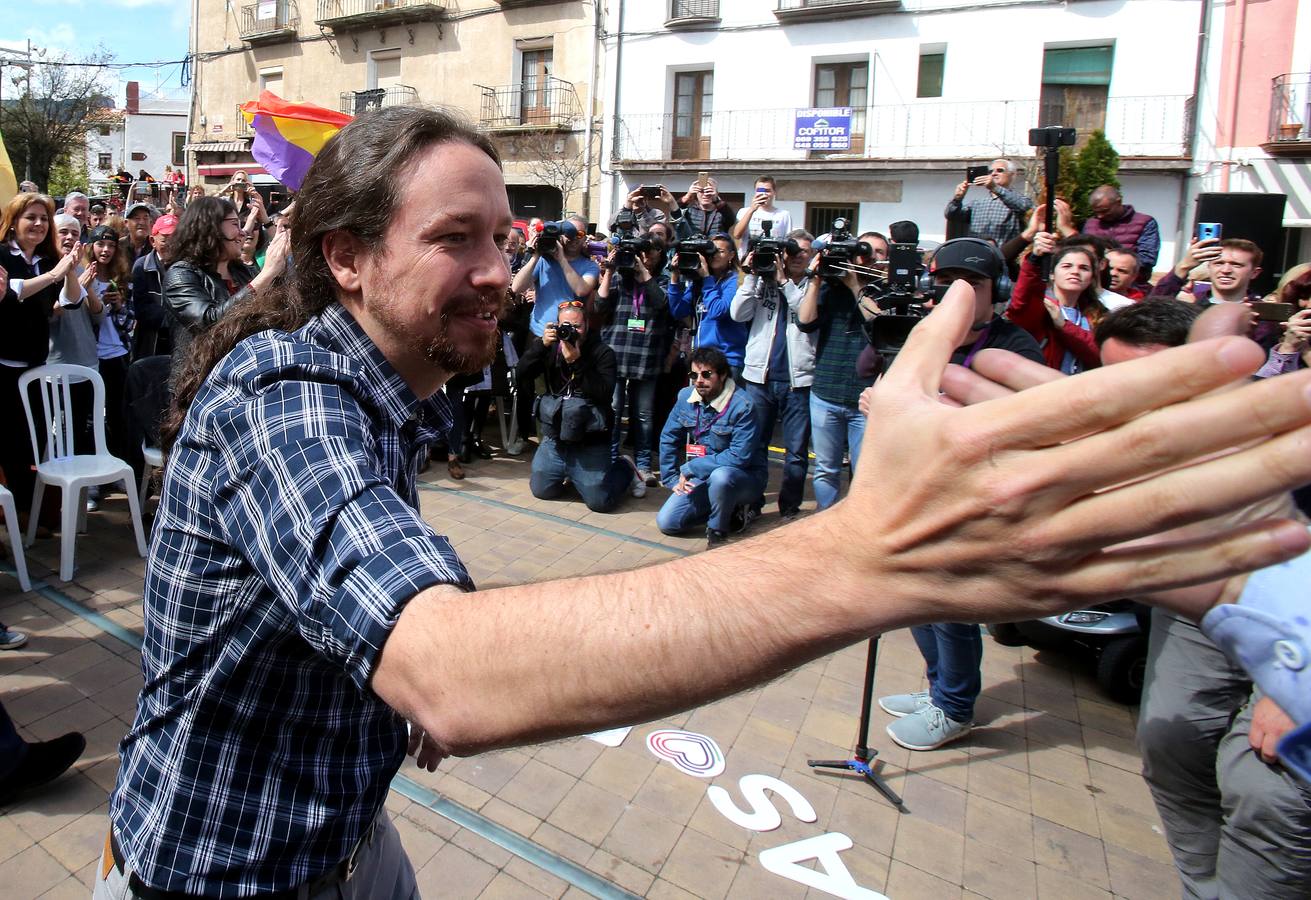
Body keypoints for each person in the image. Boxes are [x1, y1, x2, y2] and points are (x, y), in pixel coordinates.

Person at [97, 106, 1311, 899]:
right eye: (455, 240)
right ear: (347, 256)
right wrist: (870, 554)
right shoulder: (288, 391)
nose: (499, 274)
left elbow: (369, 574)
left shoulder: (386, 388)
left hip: (348, 841)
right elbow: (454, 675)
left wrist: (378, 666)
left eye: (505, 238)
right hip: (225, 875)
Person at [873, 239, 1045, 751]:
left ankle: (955, 707)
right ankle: (937, 689)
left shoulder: (1014, 347)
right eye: (946, 283)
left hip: (968, 498)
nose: (957, 295)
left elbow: (1022, 431)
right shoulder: (921, 337)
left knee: (950, 608)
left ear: (998, 291)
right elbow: (880, 379)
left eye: (973, 286)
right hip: (914, 488)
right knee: (915, 603)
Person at [516, 300, 645, 511]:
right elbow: (521, 374)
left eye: (577, 326)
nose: (571, 331)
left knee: (600, 503)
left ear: (587, 325)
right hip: (557, 439)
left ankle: (625, 468)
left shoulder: (603, 353)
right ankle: (572, 475)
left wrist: (577, 362)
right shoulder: (549, 349)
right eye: (565, 326)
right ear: (557, 326)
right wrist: (540, 346)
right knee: (541, 490)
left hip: (590, 440)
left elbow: (604, 394)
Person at [729, 229, 817, 520]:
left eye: (804, 251)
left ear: (813, 255)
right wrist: (752, 276)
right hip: (759, 378)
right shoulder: (763, 282)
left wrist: (784, 283)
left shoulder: (814, 287)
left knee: (795, 452)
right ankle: (752, 503)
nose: (798, 256)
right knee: (755, 446)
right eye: (792, 251)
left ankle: (789, 507)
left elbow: (807, 317)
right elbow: (738, 314)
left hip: (798, 381)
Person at [0, 193, 76, 521]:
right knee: (6, 442)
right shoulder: (3, 255)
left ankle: (29, 512)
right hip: (3, 366)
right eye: (31, 217)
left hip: (35, 366)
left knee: (34, 440)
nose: (39, 224)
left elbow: (72, 301)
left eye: (44, 218)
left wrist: (70, 268)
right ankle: (11, 516)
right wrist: (56, 273)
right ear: (14, 221)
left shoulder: (49, 261)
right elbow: (12, 291)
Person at [795, 231, 881, 510]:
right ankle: (825, 519)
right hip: (825, 393)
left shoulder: (888, 290)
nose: (871, 258)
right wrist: (816, 280)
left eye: (878, 252)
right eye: (866, 251)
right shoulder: (831, 289)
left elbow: (880, 326)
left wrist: (856, 285)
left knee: (865, 472)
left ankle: (857, 526)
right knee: (825, 468)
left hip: (866, 400)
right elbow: (805, 322)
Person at [162, 196, 289, 379]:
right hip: (200, 381)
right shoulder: (181, 274)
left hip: (246, 374)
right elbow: (209, 322)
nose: (242, 233)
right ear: (210, 227)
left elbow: (275, 311)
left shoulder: (241, 272)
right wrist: (266, 275)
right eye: (235, 224)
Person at [656, 347, 766, 546]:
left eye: (706, 374)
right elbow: (668, 438)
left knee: (721, 476)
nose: (699, 380)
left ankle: (717, 532)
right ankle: (728, 508)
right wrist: (671, 479)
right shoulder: (685, 397)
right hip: (704, 477)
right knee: (668, 522)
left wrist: (691, 468)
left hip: (742, 477)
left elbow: (739, 456)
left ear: (723, 375)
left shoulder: (743, 406)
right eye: (693, 374)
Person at [595, 236, 670, 488]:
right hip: (616, 354)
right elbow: (599, 305)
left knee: (644, 414)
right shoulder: (617, 277)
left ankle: (644, 464)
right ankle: (611, 458)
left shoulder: (661, 280)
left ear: (657, 255)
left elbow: (663, 305)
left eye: (647, 254)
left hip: (646, 355)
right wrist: (609, 270)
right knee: (613, 410)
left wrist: (643, 273)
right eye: (638, 254)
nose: (641, 258)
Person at [46, 214, 104, 456]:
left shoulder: (83, 265)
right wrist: (76, 287)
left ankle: (84, 487)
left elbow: (98, 316)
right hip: (57, 367)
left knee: (84, 428)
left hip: (88, 361)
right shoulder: (45, 270)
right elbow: (49, 315)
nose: (70, 238)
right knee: (60, 432)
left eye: (75, 233)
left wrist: (88, 290)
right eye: (63, 232)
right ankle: (61, 488)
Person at [1006, 232, 1104, 373]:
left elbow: (1101, 354)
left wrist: (1064, 326)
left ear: (1092, 278)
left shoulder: (1097, 314)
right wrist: (1034, 259)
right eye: (1066, 266)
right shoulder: (1041, 307)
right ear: (1052, 273)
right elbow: (1022, 301)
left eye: (1084, 268)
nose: (1075, 272)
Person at [667, 232, 746, 377]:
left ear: (731, 255)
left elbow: (718, 311)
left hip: (727, 360)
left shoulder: (735, 281)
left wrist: (707, 278)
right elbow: (678, 311)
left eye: (721, 251)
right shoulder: (699, 282)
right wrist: (675, 277)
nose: (715, 255)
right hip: (701, 359)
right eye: (712, 251)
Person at [945, 158, 1034, 246]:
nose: (994, 174)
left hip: (1005, 256)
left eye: (1000, 170)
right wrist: (957, 199)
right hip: (977, 255)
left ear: (1012, 175)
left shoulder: (1019, 200)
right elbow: (951, 215)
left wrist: (995, 188)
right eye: (990, 171)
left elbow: (1025, 207)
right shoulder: (977, 204)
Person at [1082, 185, 1160, 286]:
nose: (1100, 216)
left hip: (1132, 287)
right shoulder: (1090, 224)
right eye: (1096, 212)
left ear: (1118, 202)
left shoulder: (1145, 222)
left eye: (1105, 210)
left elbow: (1148, 259)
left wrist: (1116, 263)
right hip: (1096, 286)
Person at [130, 213, 178, 360]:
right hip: (150, 343)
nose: (171, 245)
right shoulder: (141, 266)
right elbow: (141, 309)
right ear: (153, 240)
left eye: (176, 239)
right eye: (165, 240)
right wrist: (176, 319)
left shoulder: (188, 266)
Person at [731, 175, 792, 259]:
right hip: (748, 261)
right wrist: (752, 210)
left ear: (774, 192)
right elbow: (737, 235)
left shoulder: (784, 215)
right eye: (760, 190)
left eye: (767, 191)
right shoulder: (744, 211)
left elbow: (787, 244)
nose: (763, 194)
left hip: (773, 261)